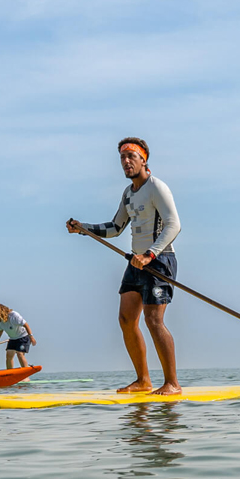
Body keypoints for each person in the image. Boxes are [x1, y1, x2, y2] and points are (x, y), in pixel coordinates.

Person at [67, 137, 182, 395]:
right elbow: (115, 227)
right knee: (126, 319)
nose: (126, 161)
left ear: (143, 160)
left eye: (131, 156)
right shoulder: (128, 193)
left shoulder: (156, 187)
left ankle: (172, 384)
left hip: (159, 260)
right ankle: (143, 381)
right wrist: (83, 228)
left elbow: (174, 224)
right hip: (135, 261)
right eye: (122, 157)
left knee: (154, 320)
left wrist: (150, 255)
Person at [0, 303, 36, 376]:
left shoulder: (14, 315)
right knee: (9, 355)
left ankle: (26, 375)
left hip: (23, 337)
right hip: (12, 339)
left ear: (2, 312)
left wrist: (31, 337)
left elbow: (26, 325)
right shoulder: (1, 321)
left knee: (20, 354)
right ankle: (10, 375)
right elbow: (0, 331)